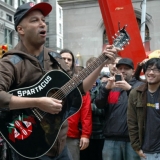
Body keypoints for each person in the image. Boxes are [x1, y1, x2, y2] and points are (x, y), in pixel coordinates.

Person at [0, 2, 117, 160]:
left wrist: (102, 62)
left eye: (43, 20)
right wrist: (37, 102)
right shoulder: (11, 62)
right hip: (28, 145)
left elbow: (79, 89)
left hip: (59, 144)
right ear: (20, 29)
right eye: (34, 20)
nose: (42, 23)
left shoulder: (55, 58)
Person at [95, 58, 143, 160]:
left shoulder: (140, 86)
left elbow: (142, 105)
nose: (122, 71)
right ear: (116, 70)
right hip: (111, 138)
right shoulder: (110, 85)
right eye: (120, 68)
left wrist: (129, 89)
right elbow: (99, 104)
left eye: (126, 68)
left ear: (133, 71)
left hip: (133, 140)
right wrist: (106, 89)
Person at [60, 49, 92, 160]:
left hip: (71, 134)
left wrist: (85, 134)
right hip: (49, 133)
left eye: (69, 59)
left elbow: (86, 111)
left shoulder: (79, 85)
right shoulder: (49, 79)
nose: (66, 61)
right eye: (63, 58)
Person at [127, 58, 160, 160]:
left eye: (155, 70)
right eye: (149, 69)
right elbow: (131, 122)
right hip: (146, 151)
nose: (151, 72)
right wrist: (136, 147)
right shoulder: (135, 93)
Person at [80, 57, 105, 160]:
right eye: (90, 68)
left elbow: (104, 109)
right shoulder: (82, 87)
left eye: (95, 68)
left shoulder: (103, 87)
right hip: (81, 132)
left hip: (98, 132)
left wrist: (88, 107)